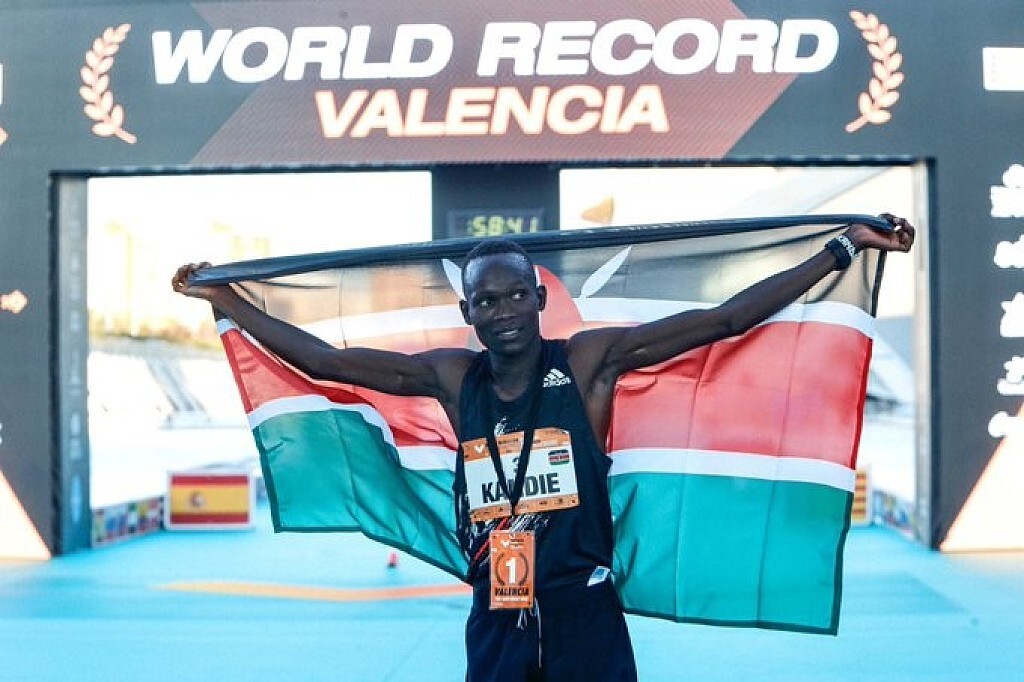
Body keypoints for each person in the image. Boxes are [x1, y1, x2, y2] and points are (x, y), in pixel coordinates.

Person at [171, 214, 914, 681]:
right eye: (486, 301)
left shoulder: (587, 364)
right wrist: (224, 299)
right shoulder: (451, 377)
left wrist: (840, 250)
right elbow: (326, 362)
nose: (503, 312)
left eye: (515, 295)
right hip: (498, 610)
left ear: (539, 297)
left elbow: (724, 320)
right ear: (467, 310)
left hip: (583, 610)